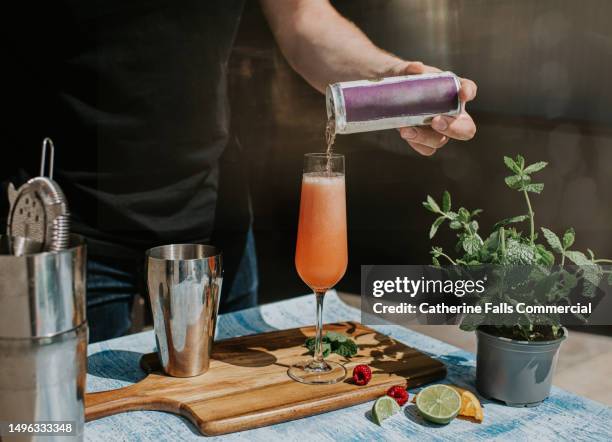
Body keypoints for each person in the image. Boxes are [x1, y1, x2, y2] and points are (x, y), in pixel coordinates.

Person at [1, 0, 476, 342]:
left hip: (210, 214)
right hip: (66, 223)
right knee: (61, 414)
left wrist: (387, 79)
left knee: (230, 402)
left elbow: (302, 16)